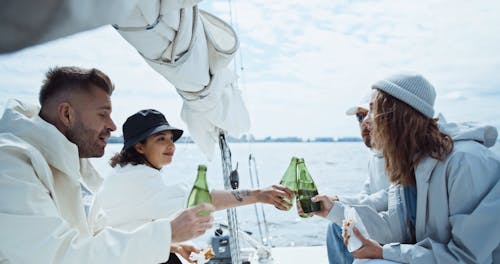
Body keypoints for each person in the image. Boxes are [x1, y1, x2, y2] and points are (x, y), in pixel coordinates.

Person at [0, 66, 217, 263]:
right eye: (103, 114)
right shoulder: (10, 165)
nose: (112, 126)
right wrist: (166, 233)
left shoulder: (73, 166)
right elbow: (58, 256)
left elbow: (96, 237)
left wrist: (168, 245)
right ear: (67, 114)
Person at [318, 73, 500, 263]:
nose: (366, 121)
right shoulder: (414, 164)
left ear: (397, 116)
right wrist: (332, 210)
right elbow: (394, 228)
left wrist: (384, 253)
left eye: (373, 111)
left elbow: (467, 257)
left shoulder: (466, 163)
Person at [94, 109, 294, 263]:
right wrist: (258, 195)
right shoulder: (139, 178)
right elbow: (202, 200)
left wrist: (175, 246)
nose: (171, 146)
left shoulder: (123, 173)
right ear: (139, 146)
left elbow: (129, 227)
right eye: (160, 139)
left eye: (171, 139)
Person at [323, 95, 391, 264]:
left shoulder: (400, 155)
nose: (364, 122)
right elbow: (366, 194)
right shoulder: (375, 156)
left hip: (395, 230)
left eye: (369, 114)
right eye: (359, 117)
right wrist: (334, 203)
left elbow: (389, 198)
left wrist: (338, 203)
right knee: (336, 226)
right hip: (383, 222)